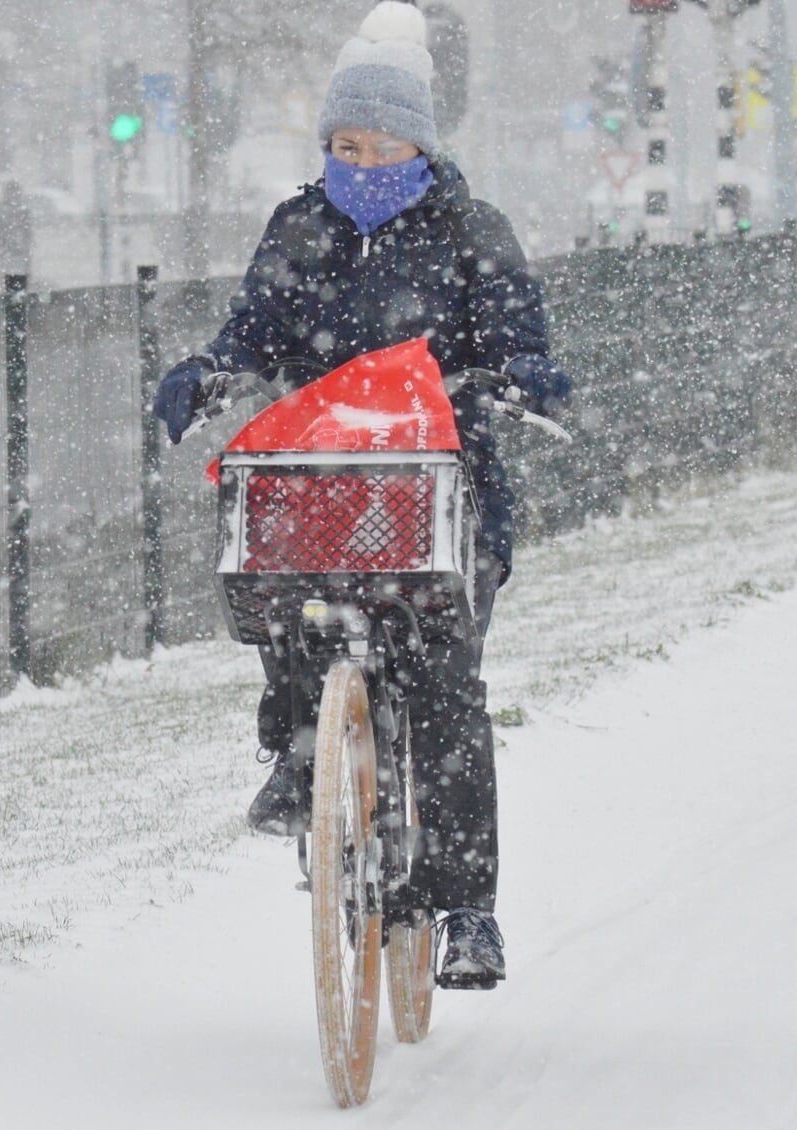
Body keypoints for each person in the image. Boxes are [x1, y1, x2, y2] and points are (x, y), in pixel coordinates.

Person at [150, 1, 571, 991]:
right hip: (327, 490)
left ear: (418, 140)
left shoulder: (473, 232)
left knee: (444, 683)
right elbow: (251, 333)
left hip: (444, 492)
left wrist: (524, 376)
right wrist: (210, 374)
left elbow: (518, 338)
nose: (358, 157)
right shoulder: (298, 226)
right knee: (291, 602)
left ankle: (465, 906)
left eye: (377, 140)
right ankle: (303, 756)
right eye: (342, 141)